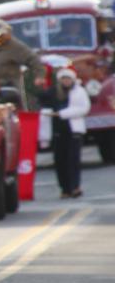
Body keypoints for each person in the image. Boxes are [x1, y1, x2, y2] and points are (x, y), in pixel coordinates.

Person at [38, 67, 90, 198]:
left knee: (73, 160)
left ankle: (75, 187)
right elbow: (43, 104)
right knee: (60, 161)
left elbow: (83, 109)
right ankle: (65, 189)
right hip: (58, 131)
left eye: (68, 79)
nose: (66, 81)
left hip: (74, 131)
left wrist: (62, 114)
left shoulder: (79, 92)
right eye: (64, 79)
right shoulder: (53, 92)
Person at [0, 19, 45, 91]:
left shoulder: (15, 46)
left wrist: (39, 76)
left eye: (3, 34)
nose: (1, 37)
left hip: (9, 86)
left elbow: (32, 58)